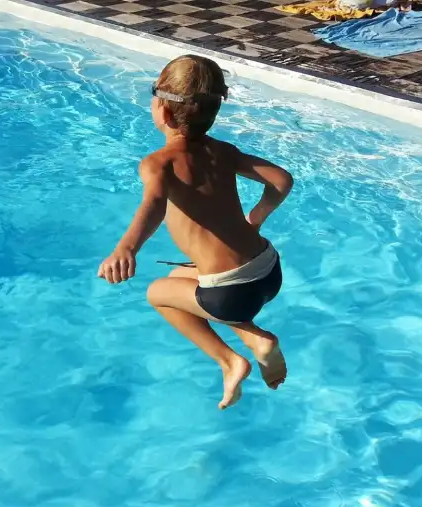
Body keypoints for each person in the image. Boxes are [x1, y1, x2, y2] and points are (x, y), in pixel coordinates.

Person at [97, 54, 295, 410]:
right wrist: (256, 218)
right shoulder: (223, 151)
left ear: (164, 111)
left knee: (158, 293)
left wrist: (126, 248)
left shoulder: (159, 162)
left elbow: (154, 204)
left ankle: (232, 358)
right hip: (269, 269)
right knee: (179, 275)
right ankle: (253, 339)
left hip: (232, 294)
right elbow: (282, 180)